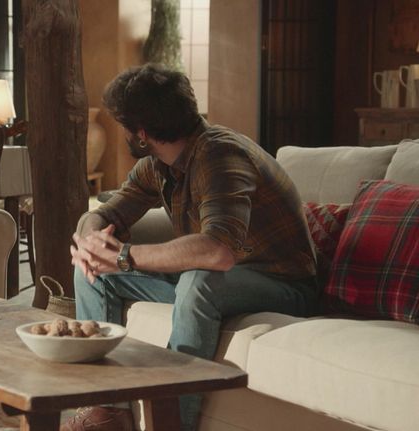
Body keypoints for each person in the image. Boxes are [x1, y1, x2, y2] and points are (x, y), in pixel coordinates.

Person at [64, 64, 318, 431]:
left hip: (284, 285)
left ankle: (171, 423)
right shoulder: (158, 164)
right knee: (95, 274)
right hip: (219, 280)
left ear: (141, 133)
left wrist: (123, 256)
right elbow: (106, 213)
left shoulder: (220, 155)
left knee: (200, 277)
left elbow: (218, 251)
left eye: (123, 125)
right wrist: (92, 244)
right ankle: (109, 412)